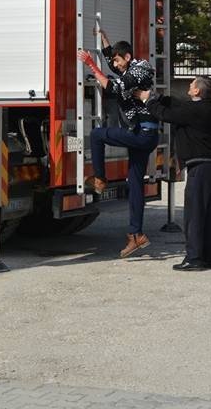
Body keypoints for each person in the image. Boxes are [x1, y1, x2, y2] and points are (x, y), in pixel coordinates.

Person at [77, 29, 158, 259]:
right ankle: (136, 235)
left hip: (142, 135)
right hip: (142, 135)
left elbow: (113, 87)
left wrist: (91, 63)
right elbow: (115, 69)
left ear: (128, 57)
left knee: (97, 135)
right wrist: (105, 41)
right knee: (134, 185)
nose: (114, 63)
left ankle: (100, 178)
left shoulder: (139, 70)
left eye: (117, 59)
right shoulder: (130, 67)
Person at [139, 76, 211, 271]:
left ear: (197, 92)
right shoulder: (206, 107)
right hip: (210, 167)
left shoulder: (196, 110)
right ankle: (209, 257)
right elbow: (178, 104)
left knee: (194, 215)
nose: (188, 86)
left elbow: (166, 115)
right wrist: (159, 96)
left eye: (192, 84)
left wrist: (149, 101)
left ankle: (194, 259)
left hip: (201, 169)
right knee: (208, 214)